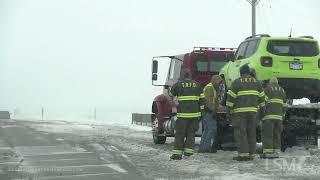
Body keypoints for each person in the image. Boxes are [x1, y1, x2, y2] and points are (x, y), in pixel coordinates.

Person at [226, 64, 265, 161]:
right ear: (249, 72)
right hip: (253, 112)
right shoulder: (257, 83)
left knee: (241, 132)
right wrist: (262, 113)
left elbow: (230, 99)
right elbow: (262, 99)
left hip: (240, 112)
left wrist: (228, 111)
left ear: (241, 72)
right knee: (251, 132)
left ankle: (243, 154)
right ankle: (251, 154)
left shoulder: (236, 82)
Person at [169, 70, 204, 160]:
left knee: (180, 134)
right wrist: (201, 113)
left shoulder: (178, 84)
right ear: (190, 76)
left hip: (182, 115)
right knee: (191, 134)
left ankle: (177, 155)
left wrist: (175, 100)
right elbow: (202, 100)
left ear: (183, 76)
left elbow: (170, 94)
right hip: (195, 115)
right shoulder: (197, 85)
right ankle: (188, 153)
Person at [260, 77, 288, 159]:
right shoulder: (282, 90)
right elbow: (285, 105)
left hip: (269, 116)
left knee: (268, 134)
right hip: (279, 117)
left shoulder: (267, 89)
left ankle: (268, 152)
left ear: (270, 82)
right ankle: (276, 152)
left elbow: (263, 102)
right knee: (276, 134)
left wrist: (261, 114)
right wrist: (282, 114)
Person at [198, 75, 222, 153]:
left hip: (208, 111)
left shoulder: (214, 88)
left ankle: (203, 148)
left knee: (207, 129)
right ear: (214, 80)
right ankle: (205, 147)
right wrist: (213, 111)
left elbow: (215, 101)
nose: (220, 84)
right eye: (219, 82)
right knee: (211, 129)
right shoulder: (210, 88)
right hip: (208, 111)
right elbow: (208, 102)